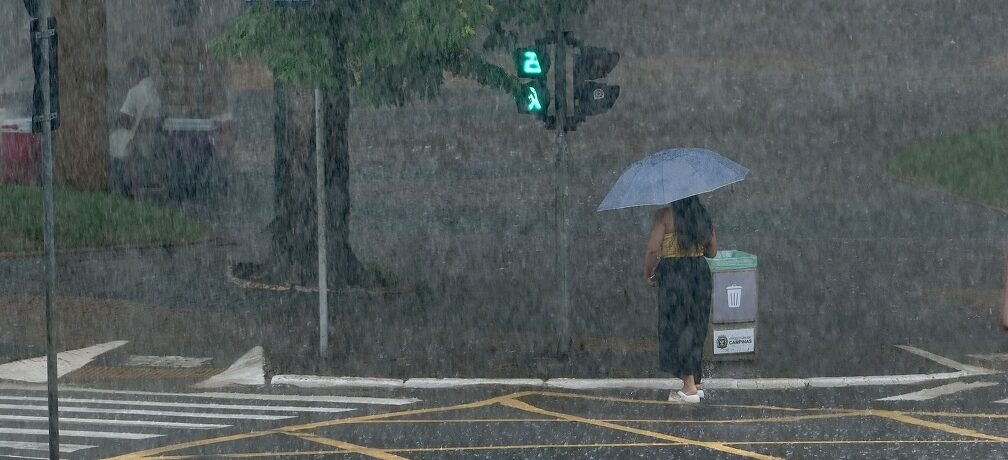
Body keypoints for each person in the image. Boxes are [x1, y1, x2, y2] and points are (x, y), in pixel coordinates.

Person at [643, 196, 717, 403]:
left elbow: (652, 249)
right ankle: (696, 379)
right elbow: (712, 251)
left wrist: (647, 272)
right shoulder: (702, 215)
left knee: (677, 326)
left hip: (675, 276)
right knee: (696, 324)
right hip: (699, 274)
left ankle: (689, 387)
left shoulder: (665, 216)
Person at [110, 56, 162, 197]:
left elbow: (123, 118)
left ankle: (125, 184)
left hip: (139, 140)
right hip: (152, 138)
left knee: (114, 138)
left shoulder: (135, 92)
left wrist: (111, 122)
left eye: (130, 73)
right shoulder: (154, 90)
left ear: (136, 72)